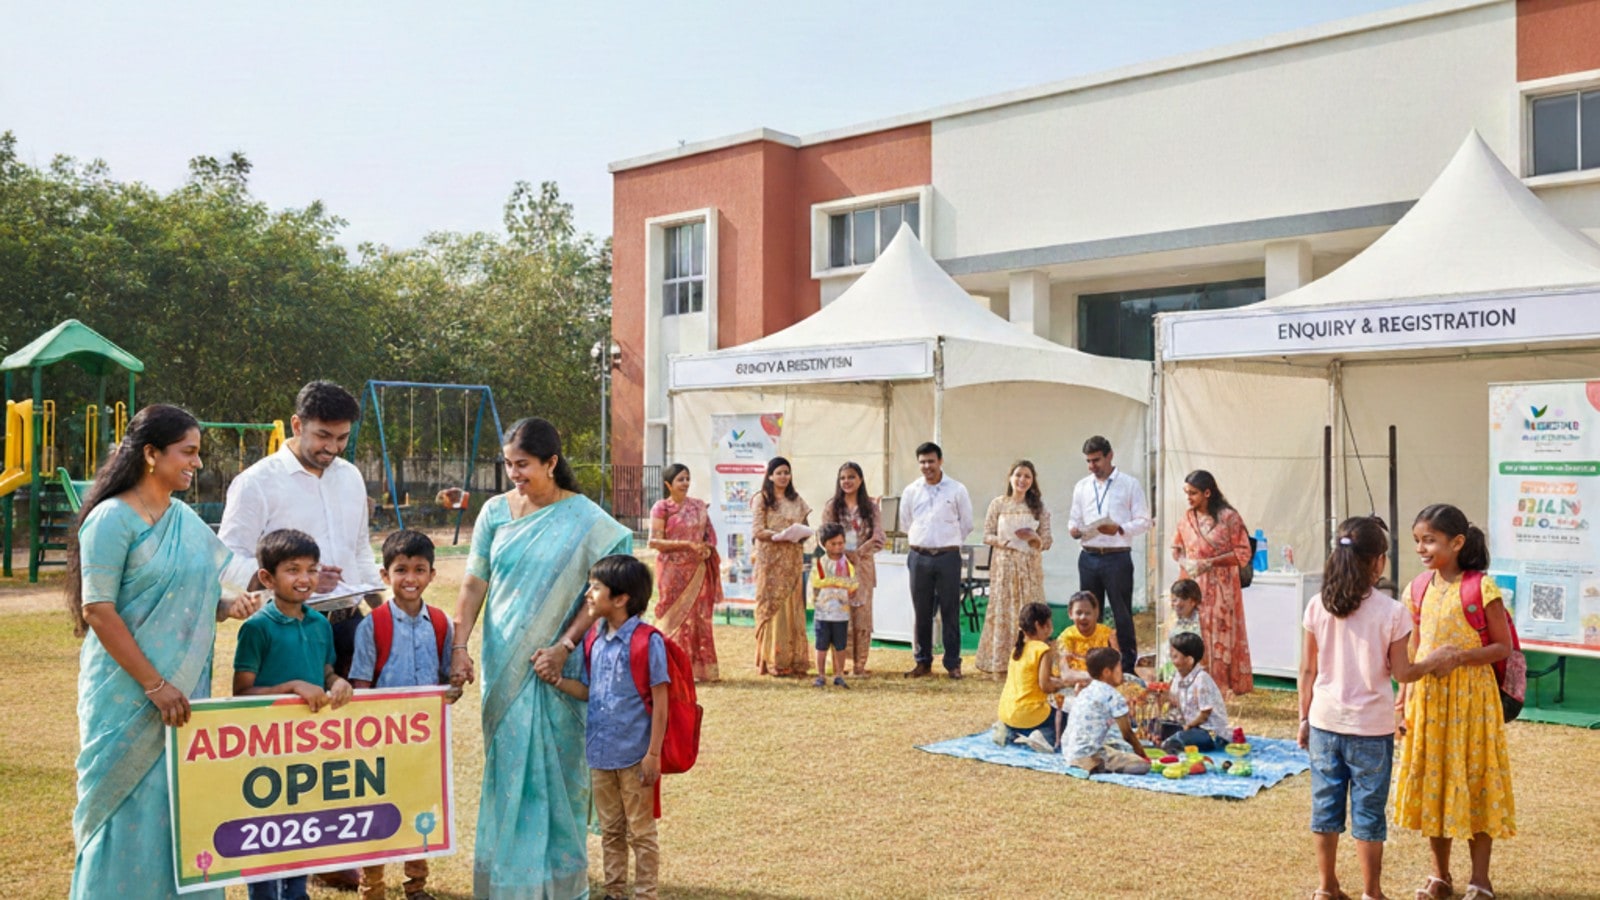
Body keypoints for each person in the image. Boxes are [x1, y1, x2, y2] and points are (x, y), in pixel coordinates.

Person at [66, 404, 259, 900]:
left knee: (181, 805)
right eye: (188, 452)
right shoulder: (111, 519)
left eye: (198, 453)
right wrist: (154, 684)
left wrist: (227, 605)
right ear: (151, 454)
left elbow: (196, 590)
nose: (197, 463)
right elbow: (99, 610)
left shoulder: (184, 519)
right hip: (130, 694)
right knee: (124, 805)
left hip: (184, 691)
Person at [448, 417, 633, 898]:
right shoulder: (493, 513)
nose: (514, 474)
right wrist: (459, 645)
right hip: (503, 664)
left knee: (560, 778)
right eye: (508, 464)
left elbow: (606, 590)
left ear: (552, 463)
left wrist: (564, 645)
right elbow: (473, 585)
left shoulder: (586, 519)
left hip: (558, 668)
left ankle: (559, 883)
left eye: (523, 465)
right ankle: (509, 883)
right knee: (508, 771)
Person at [1299, 515, 1458, 900]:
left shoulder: (1318, 605)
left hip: (1323, 721)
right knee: (1369, 813)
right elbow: (1402, 671)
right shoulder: (1391, 612)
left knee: (1325, 808)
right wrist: (1434, 661)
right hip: (1370, 727)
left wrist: (1303, 718)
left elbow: (1307, 668)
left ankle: (1326, 888)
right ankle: (1372, 892)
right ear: (1378, 561)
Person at [218, 380, 384, 681]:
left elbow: (359, 549)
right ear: (297, 425)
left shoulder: (351, 477)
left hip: (350, 627)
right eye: (323, 436)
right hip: (286, 631)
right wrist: (299, 580)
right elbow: (225, 558)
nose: (332, 448)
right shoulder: (256, 482)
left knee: (354, 724)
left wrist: (381, 614)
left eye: (342, 437)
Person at [1394, 505, 1515, 900]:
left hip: (1473, 705)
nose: (1421, 548)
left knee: (1476, 782)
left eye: (1429, 540)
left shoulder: (1481, 588)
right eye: (1417, 541)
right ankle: (1440, 876)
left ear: (1458, 543)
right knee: (1435, 783)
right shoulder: (1417, 589)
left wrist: (1459, 657)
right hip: (1428, 704)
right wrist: (1403, 702)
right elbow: (1413, 650)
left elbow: (1502, 647)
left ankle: (1480, 880)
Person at [233, 528, 355, 900]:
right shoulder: (256, 628)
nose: (305, 579)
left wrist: (338, 682)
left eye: (311, 569)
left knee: (303, 822)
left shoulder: (320, 623)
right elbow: (241, 692)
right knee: (269, 826)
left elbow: (325, 670)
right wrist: (288, 688)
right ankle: (265, 893)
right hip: (266, 751)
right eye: (293, 570)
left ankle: (297, 891)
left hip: (308, 747)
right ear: (268, 578)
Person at [349, 530, 460, 900]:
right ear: (385, 576)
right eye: (400, 570)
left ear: (432, 574)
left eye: (419, 569)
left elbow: (447, 682)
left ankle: (417, 885)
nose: (410, 578)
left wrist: (455, 688)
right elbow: (361, 684)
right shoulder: (373, 625)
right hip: (380, 742)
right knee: (377, 813)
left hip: (424, 743)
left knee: (420, 809)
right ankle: (373, 886)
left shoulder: (441, 624)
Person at [550, 556, 669, 900]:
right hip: (601, 754)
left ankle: (645, 893)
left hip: (635, 756)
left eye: (596, 587)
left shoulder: (648, 642)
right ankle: (614, 891)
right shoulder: (594, 641)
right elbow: (590, 692)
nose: (588, 594)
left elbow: (661, 701)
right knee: (611, 829)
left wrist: (653, 754)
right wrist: (558, 681)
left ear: (621, 599)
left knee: (641, 832)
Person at [1068, 435, 1150, 674]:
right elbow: (1074, 517)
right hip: (1089, 555)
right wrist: (1073, 529)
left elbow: (1144, 521)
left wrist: (1120, 528)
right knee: (1088, 612)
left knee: (1121, 613)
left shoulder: (1129, 484)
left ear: (1110, 455)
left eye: (1096, 460)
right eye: (1088, 462)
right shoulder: (1082, 486)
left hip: (1117, 556)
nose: (1092, 466)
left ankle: (1126, 667)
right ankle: (1094, 663)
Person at [1170, 468, 1254, 696]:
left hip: (1221, 587)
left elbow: (1243, 554)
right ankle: (1192, 685)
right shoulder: (1187, 518)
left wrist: (1211, 562)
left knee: (1218, 635)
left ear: (1207, 493)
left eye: (1193, 493)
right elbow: (1176, 548)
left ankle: (1218, 687)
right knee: (1195, 632)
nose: (1188, 498)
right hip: (1193, 584)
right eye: (1186, 492)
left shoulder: (1229, 518)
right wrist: (1186, 562)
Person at [900, 441, 973, 679]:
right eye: (922, 462)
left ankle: (953, 663)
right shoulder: (912, 490)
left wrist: (945, 541)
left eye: (931, 461)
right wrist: (926, 540)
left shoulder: (957, 489)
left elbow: (967, 523)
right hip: (919, 556)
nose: (927, 466)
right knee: (921, 612)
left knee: (950, 610)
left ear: (940, 461)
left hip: (948, 557)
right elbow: (905, 523)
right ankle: (922, 661)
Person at [975, 460, 1053, 675]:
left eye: (1027, 476)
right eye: (1018, 475)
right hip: (1004, 565)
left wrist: (1033, 537)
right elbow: (986, 535)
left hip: (1028, 567)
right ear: (1010, 478)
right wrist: (1004, 542)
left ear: (1032, 480)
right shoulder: (998, 504)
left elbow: (1046, 541)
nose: (1022, 480)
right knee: (1004, 610)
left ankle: (1031, 662)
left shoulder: (1039, 507)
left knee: (1028, 610)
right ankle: (1001, 663)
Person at [648, 464, 722, 682]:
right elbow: (654, 541)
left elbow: (709, 536)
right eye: (680, 479)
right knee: (671, 616)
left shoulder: (699, 506)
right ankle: (671, 667)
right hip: (671, 571)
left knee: (698, 618)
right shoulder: (662, 508)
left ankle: (700, 669)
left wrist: (706, 548)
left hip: (697, 571)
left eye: (687, 478)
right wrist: (688, 545)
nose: (685, 483)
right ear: (668, 484)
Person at [822, 462, 885, 677]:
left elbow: (879, 537)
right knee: (840, 614)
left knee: (862, 616)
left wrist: (860, 552)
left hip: (863, 566)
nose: (846, 482)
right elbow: (824, 534)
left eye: (851, 477)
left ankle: (859, 664)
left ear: (860, 480)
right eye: (842, 478)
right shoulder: (832, 506)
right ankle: (841, 665)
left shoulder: (871, 506)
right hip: (838, 566)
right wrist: (842, 551)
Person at [751, 456, 812, 676]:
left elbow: (806, 528)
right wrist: (779, 536)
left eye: (787, 472)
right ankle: (771, 660)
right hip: (769, 561)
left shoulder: (797, 500)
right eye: (779, 473)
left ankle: (793, 660)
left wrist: (800, 535)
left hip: (792, 560)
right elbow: (757, 530)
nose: (783, 476)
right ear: (769, 476)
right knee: (770, 607)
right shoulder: (762, 499)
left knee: (791, 607)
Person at [1060, 647, 1151, 774]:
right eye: (1119, 668)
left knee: (1114, 748)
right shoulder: (1113, 696)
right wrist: (1143, 756)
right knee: (1141, 766)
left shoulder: (1086, 691)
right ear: (1107, 672)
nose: (1122, 672)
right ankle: (1097, 765)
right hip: (1087, 755)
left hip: (1069, 752)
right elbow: (1127, 734)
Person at [993, 602, 1067, 754]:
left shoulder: (1017, 649)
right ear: (1039, 625)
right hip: (1028, 713)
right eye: (1049, 624)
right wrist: (1063, 684)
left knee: (1024, 719)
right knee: (1065, 719)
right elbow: (1045, 686)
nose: (1050, 629)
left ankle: (1007, 730)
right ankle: (1043, 737)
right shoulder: (1043, 649)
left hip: (1007, 712)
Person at [1160, 632, 1230, 753]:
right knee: (1158, 728)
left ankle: (1172, 749)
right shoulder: (1178, 676)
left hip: (1209, 732)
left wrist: (1188, 726)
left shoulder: (1202, 679)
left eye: (1175, 657)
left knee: (1178, 739)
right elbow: (1174, 701)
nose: (1172, 661)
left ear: (1189, 660)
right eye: (1171, 656)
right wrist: (1162, 696)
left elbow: (1205, 714)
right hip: (1190, 727)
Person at [810, 523, 858, 688]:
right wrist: (838, 582)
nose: (838, 547)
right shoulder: (820, 563)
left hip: (841, 613)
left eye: (841, 543)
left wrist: (842, 584)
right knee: (821, 645)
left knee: (840, 645)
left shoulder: (847, 564)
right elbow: (817, 581)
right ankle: (821, 675)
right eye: (833, 544)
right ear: (824, 544)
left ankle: (839, 674)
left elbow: (853, 584)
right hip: (823, 612)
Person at [1058, 590, 1115, 676]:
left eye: (1088, 613)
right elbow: (1065, 672)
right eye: (1079, 613)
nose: (1083, 617)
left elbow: (1117, 663)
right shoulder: (1067, 636)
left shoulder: (1107, 634)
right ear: (1070, 614)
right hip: (1075, 679)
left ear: (1096, 613)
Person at [1156, 579, 1203, 681]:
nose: (1173, 605)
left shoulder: (1202, 625)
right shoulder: (1174, 621)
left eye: (1176, 600)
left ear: (1192, 602)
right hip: (1171, 672)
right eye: (1172, 601)